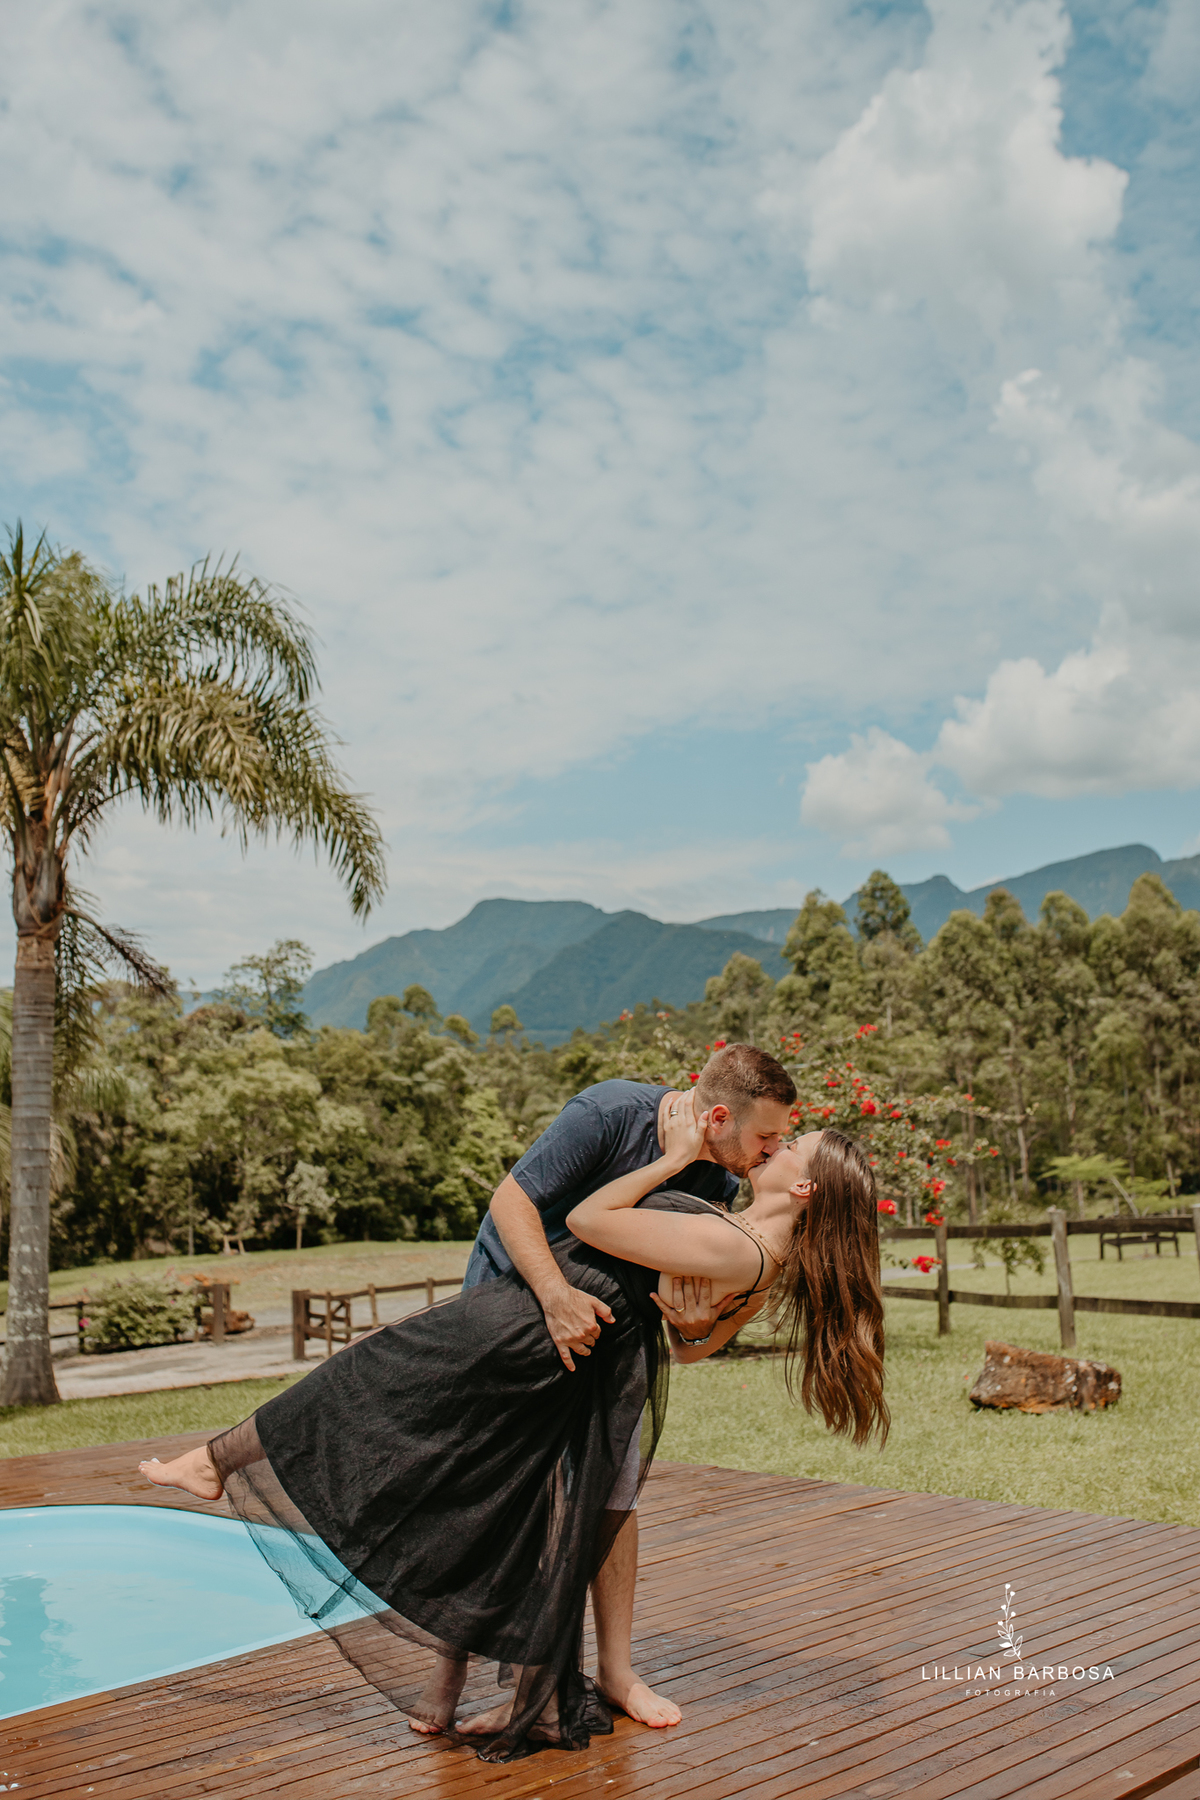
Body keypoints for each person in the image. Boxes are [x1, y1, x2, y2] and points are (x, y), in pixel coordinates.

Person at [136, 1110, 887, 1765]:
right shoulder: (747, 1235)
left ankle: (216, 1462)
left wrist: (670, 1160)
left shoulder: (741, 1245)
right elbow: (694, 1345)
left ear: (804, 1187)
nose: (778, 1145)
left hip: (538, 1332)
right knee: (522, 1503)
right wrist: (695, 1325)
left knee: (368, 1380)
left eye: (793, 1145)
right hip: (568, 1340)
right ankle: (534, 1693)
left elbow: (590, 1219)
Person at [459, 1043, 798, 1730]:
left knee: (615, 1495)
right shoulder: (609, 1111)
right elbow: (511, 1203)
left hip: (612, 1339)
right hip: (515, 1312)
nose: (773, 1150)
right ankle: (516, 1683)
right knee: (524, 1500)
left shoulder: (719, 1181)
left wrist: (699, 1322)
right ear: (720, 1117)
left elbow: (682, 1320)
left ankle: (616, 1672)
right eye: (766, 1136)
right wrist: (555, 1297)